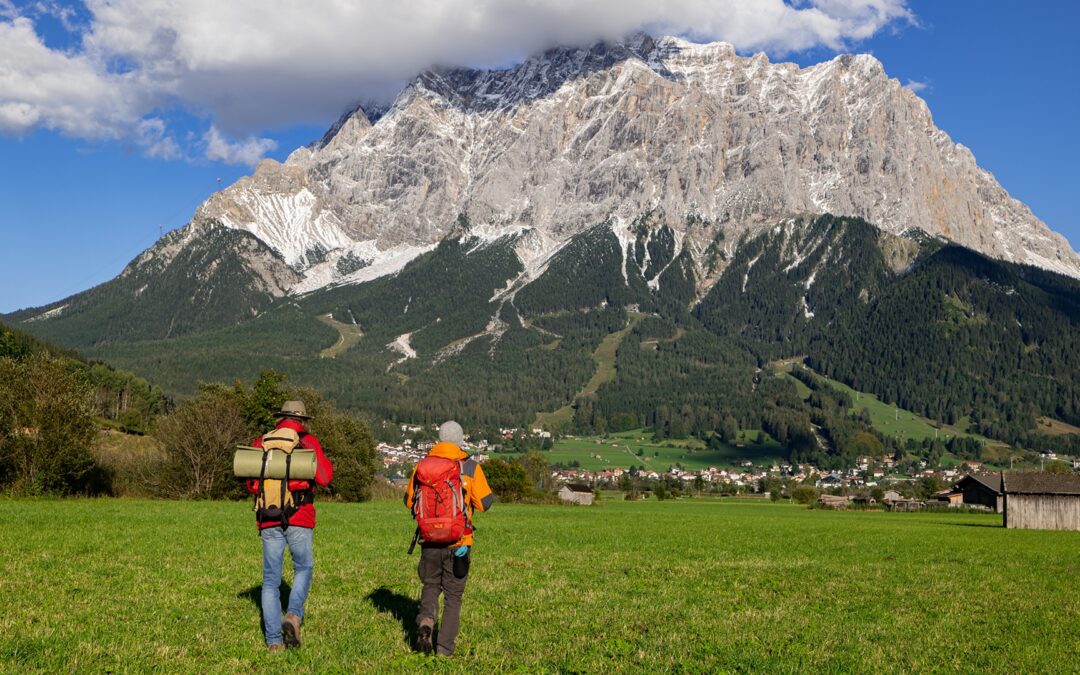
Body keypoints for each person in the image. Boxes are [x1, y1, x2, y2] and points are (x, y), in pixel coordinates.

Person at [245, 400, 333, 653]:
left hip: (268, 516)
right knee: (303, 567)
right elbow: (326, 477)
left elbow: (251, 483)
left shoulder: (262, 442)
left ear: (280, 418)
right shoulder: (308, 441)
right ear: (303, 420)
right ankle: (293, 616)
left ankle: (274, 643)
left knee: (270, 581)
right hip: (300, 516)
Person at [403, 420, 494, 657]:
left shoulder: (423, 466)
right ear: (460, 440)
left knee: (431, 585)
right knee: (453, 596)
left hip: (429, 541)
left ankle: (426, 621)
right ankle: (444, 650)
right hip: (459, 543)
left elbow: (408, 501)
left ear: (439, 439)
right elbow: (485, 504)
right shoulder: (470, 467)